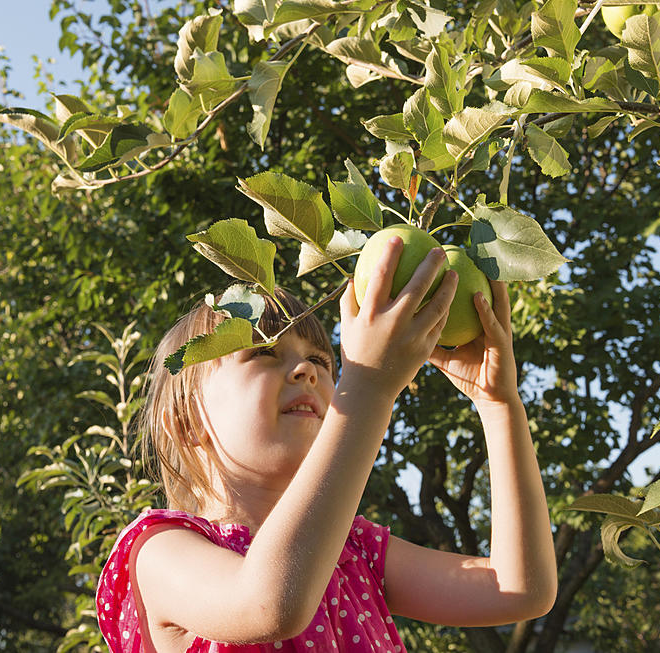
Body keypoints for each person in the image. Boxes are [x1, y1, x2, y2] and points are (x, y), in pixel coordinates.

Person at [96, 236, 558, 651]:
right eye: (264, 352)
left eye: (321, 359)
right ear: (186, 420)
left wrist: (499, 405)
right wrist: (370, 387)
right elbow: (270, 605)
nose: (307, 371)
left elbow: (520, 588)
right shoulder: (159, 551)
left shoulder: (355, 551)